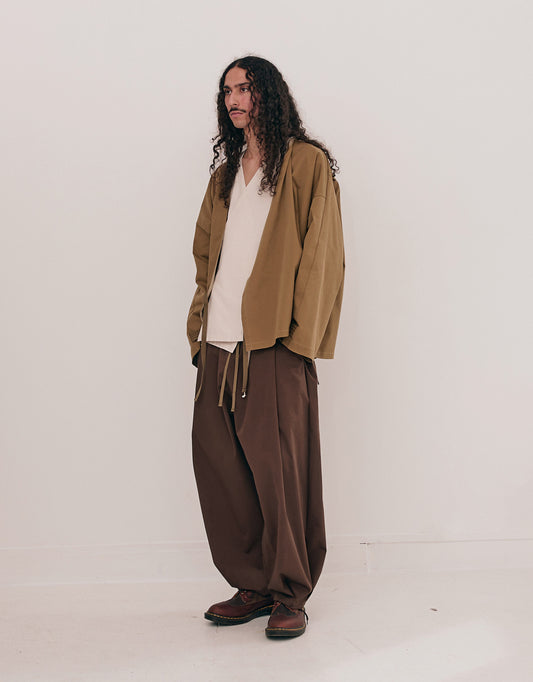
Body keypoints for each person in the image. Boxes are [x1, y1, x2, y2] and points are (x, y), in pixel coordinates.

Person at [186, 55, 344, 638]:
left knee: (280, 473)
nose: (233, 99)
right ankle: (252, 583)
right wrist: (198, 329)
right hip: (219, 343)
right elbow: (205, 255)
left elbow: (322, 254)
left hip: (272, 341)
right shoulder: (225, 175)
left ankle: (290, 591)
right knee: (223, 470)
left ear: (268, 94)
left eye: (245, 88)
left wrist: (302, 340)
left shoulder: (305, 164)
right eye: (227, 90)